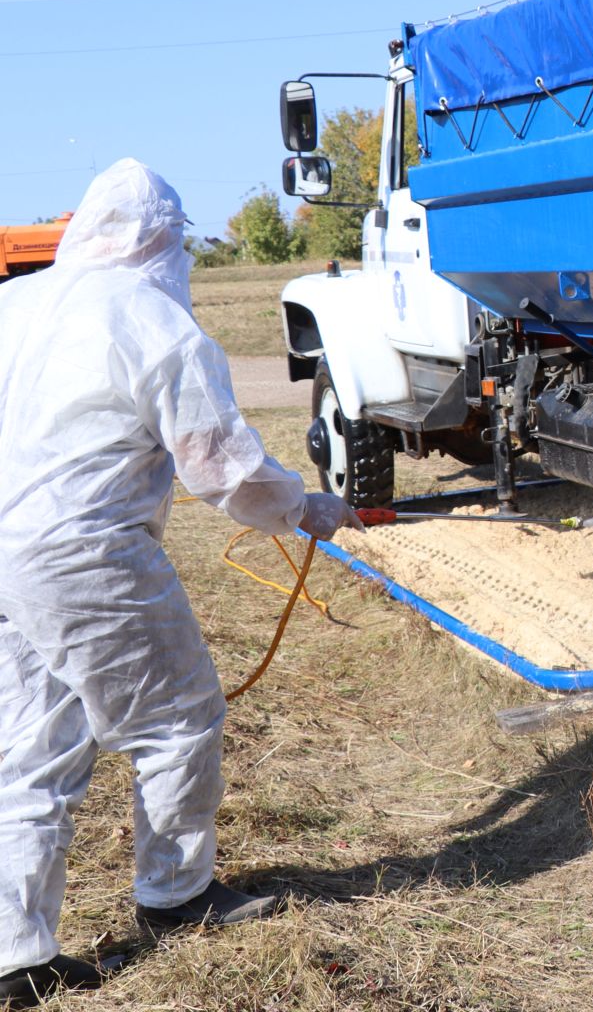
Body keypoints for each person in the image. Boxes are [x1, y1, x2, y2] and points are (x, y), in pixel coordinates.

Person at [0, 160, 360, 1007]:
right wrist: (304, 507)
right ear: (162, 240)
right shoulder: (150, 320)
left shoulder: (16, 303)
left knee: (31, 746)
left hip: (4, 549)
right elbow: (224, 469)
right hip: (83, 549)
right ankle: (178, 895)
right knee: (178, 717)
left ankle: (16, 954)